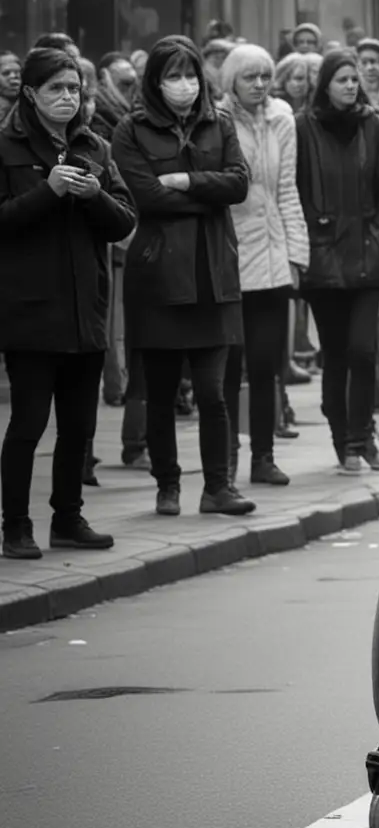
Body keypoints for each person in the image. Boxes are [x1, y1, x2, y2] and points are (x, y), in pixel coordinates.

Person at [109, 36, 254, 517]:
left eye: (191, 75)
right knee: (162, 392)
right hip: (159, 276)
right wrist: (203, 196)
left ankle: (218, 487)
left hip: (214, 273)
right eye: (173, 76)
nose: (185, 86)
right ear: (155, 81)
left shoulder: (220, 122)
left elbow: (238, 183)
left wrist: (189, 181)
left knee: (213, 391)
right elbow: (145, 196)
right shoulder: (131, 130)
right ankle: (167, 485)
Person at [0, 49, 136, 558]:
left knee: (79, 427)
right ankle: (15, 525)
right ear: (30, 94)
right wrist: (48, 191)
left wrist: (94, 193)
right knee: (29, 424)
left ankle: (68, 518)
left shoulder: (93, 144)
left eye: (74, 89)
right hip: (31, 310)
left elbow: (124, 220)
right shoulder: (7, 146)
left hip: (87, 308)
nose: (67, 98)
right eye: (56, 89)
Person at [295, 48, 379, 475]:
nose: (352, 85)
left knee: (364, 350)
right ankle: (343, 439)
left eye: (355, 79)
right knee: (335, 354)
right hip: (322, 259)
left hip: (365, 256)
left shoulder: (374, 126)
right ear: (326, 85)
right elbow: (295, 190)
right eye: (343, 79)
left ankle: (363, 437)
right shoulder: (303, 127)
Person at [218, 44, 309, 488]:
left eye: (264, 76)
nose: (259, 85)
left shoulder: (282, 118)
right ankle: (226, 464)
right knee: (229, 367)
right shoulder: (216, 121)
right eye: (249, 77)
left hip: (274, 258)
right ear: (230, 81)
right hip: (232, 257)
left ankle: (263, 457)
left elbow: (287, 190)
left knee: (265, 363)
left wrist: (296, 254)